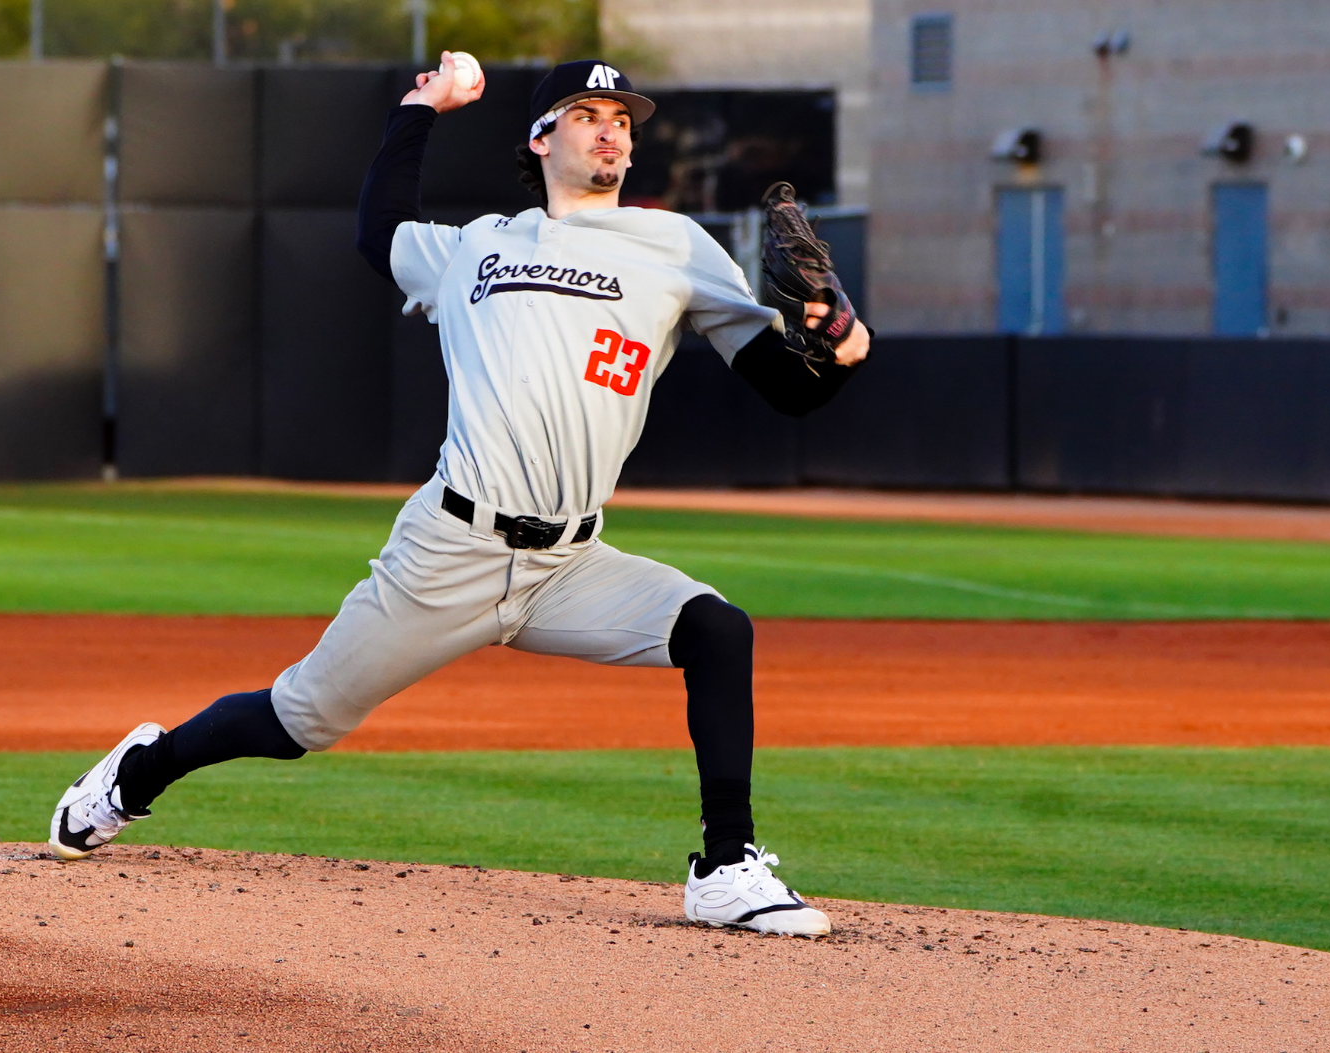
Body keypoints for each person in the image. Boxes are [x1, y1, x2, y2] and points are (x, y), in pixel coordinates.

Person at [51, 54, 871, 937]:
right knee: (302, 717)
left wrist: (841, 349)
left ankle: (724, 869)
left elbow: (786, 386)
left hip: (570, 563)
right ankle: (140, 772)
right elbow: (379, 232)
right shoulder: (479, 244)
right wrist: (420, 108)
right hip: (450, 551)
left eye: (623, 119)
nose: (611, 130)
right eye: (588, 112)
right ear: (540, 137)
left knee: (717, 628)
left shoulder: (676, 248)